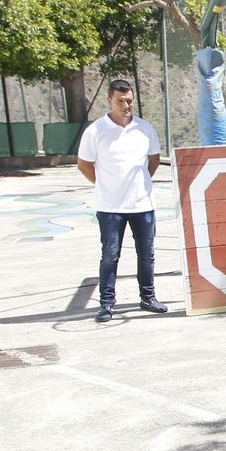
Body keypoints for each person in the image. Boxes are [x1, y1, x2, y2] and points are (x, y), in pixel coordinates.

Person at [77, 79, 166, 323]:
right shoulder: (96, 131)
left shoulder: (145, 128)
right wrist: (104, 184)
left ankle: (148, 297)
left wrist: (140, 184)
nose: (126, 105)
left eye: (129, 100)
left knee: (146, 254)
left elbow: (154, 160)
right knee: (110, 255)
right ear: (109, 100)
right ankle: (106, 304)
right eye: (121, 101)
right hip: (110, 208)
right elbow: (84, 164)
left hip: (143, 205)